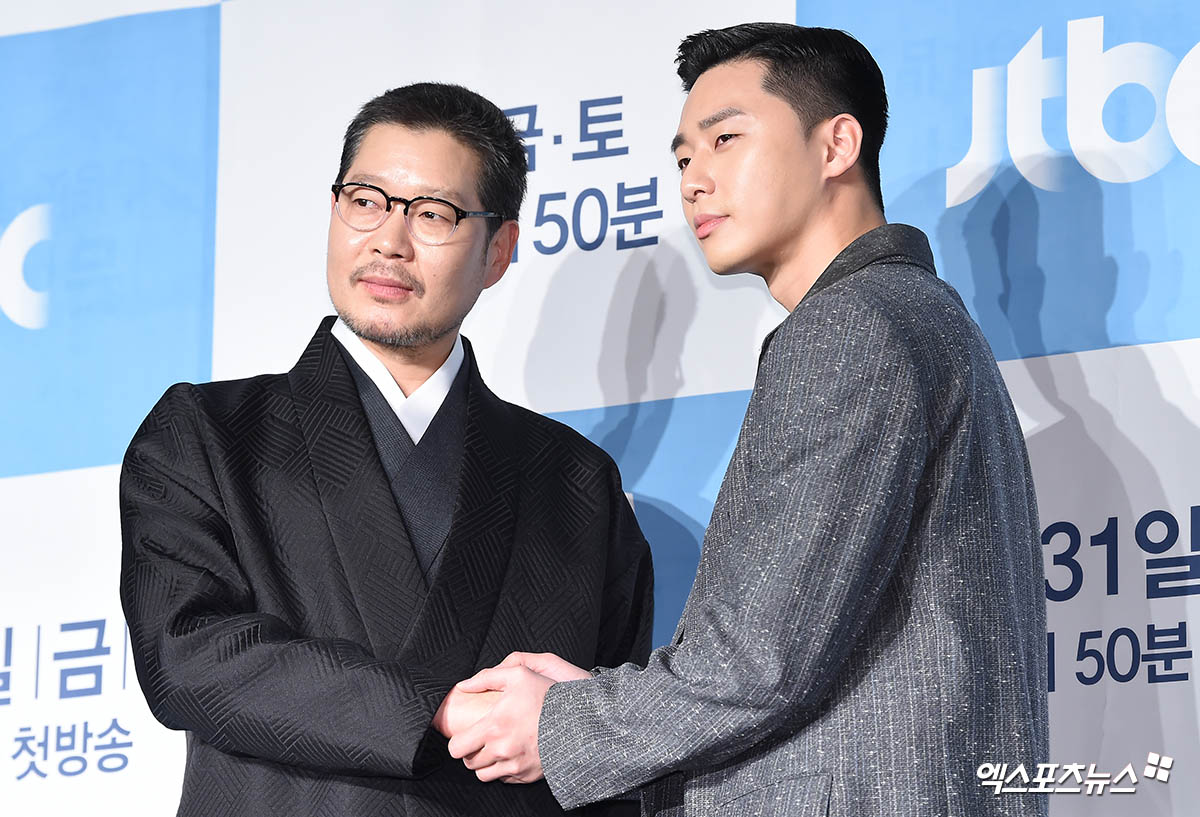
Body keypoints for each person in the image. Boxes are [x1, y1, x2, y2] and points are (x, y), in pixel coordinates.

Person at [444, 23, 1049, 816]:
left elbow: (759, 660)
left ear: (836, 146)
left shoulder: (850, 327)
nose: (695, 179)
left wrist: (561, 722)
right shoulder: (924, 319)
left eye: (726, 139)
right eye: (684, 157)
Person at [118, 82, 653, 817]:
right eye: (365, 201)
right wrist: (434, 712)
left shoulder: (573, 482)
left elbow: (613, 747)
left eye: (434, 214)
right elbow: (187, 656)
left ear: (499, 249)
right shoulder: (208, 434)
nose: (388, 242)